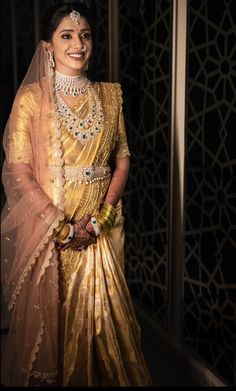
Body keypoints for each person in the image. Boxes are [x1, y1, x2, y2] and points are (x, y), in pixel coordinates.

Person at [1, 2, 152, 387]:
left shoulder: (110, 95)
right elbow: (18, 172)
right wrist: (62, 228)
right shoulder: (33, 99)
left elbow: (122, 161)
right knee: (56, 336)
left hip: (99, 234)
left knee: (109, 332)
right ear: (49, 46)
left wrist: (99, 219)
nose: (78, 44)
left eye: (85, 35)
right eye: (67, 35)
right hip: (54, 239)